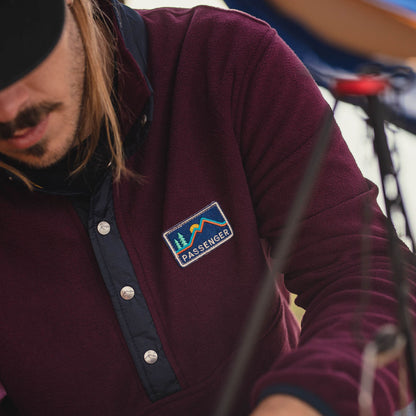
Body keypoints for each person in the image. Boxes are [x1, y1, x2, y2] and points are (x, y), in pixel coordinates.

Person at [0, 0, 415, 415]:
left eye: (22, 50)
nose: (9, 109)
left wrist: (306, 403)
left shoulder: (224, 59)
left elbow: (366, 273)